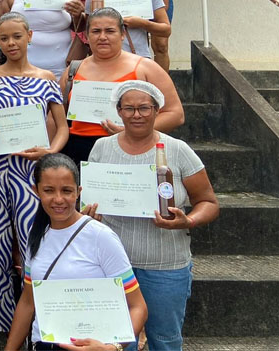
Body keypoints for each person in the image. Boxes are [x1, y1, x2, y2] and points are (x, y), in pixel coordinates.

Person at [85, 81, 219, 351]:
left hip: (165, 265)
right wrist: (88, 213)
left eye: (144, 108)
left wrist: (188, 220)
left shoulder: (178, 150)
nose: (137, 115)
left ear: (157, 110)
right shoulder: (102, 147)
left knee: (165, 339)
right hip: (113, 265)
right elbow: (91, 198)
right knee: (116, 339)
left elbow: (209, 202)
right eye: (129, 108)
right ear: (119, 112)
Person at [0, 12, 69, 334]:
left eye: (17, 37)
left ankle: (38, 321)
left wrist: (50, 152)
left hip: (29, 168)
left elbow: (63, 128)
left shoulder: (48, 78)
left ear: (29, 36)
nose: (11, 43)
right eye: (4, 38)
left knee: (31, 239)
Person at [4, 154, 148, 351]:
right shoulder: (35, 235)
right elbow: (28, 302)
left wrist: (112, 348)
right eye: (48, 190)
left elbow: (138, 306)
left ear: (78, 192)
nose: (58, 199)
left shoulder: (101, 236)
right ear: (35, 191)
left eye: (67, 191)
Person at [61, 8, 184, 164]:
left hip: (132, 148)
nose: (102, 37)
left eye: (110, 31)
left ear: (123, 34)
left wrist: (133, 131)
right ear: (87, 35)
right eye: (96, 31)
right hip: (77, 150)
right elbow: (56, 116)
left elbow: (175, 114)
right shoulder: (73, 70)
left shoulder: (146, 68)